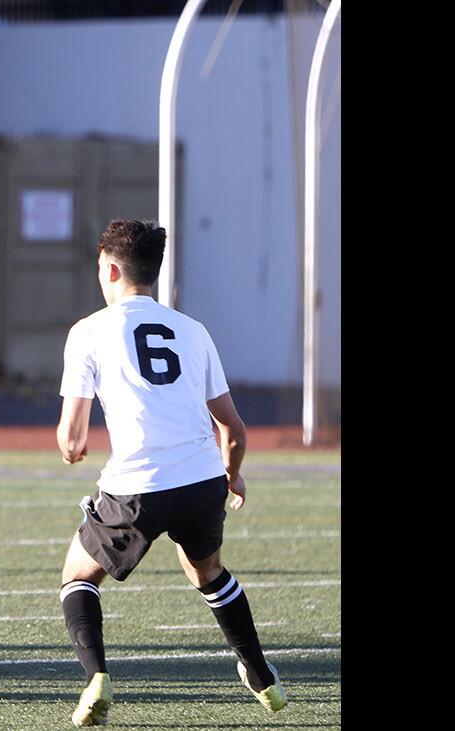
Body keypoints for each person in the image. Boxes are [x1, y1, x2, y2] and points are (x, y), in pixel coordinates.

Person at [55, 220, 287, 725]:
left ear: (111, 269)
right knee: (207, 573)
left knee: (77, 575)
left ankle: (95, 676)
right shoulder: (193, 330)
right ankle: (258, 672)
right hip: (203, 481)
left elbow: (72, 439)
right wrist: (234, 474)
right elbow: (234, 429)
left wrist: (72, 451)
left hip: (137, 485)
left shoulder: (88, 331)